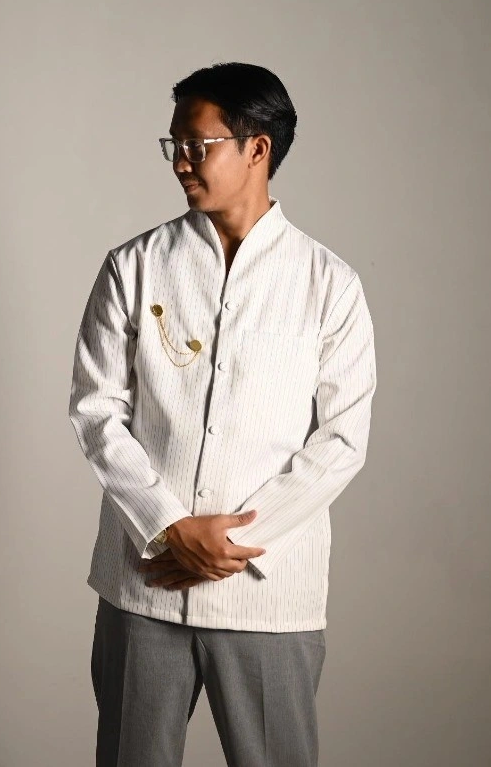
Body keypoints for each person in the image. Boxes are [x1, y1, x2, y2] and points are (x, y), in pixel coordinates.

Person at [70, 63, 377, 767]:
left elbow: (341, 439)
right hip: (144, 584)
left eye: (197, 145)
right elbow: (95, 410)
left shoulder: (329, 284)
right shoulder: (134, 266)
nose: (180, 161)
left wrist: (231, 544)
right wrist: (170, 528)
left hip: (268, 593)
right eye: (173, 145)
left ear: (257, 148)